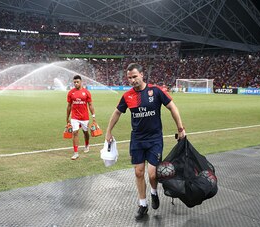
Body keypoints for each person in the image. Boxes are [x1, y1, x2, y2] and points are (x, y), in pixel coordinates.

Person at [105, 63, 186, 220]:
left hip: (155, 138)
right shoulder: (127, 96)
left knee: (153, 174)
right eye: (129, 78)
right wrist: (108, 131)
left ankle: (154, 193)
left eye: (135, 76)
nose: (132, 80)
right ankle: (143, 204)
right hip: (137, 139)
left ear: (142, 74)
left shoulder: (155, 91)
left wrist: (180, 128)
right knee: (138, 172)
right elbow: (117, 113)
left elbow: (172, 107)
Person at [66, 75, 96, 160]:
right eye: (74, 82)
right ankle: (76, 153)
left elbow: (90, 105)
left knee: (85, 132)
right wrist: (67, 117)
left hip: (84, 117)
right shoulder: (71, 93)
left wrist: (93, 116)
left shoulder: (86, 92)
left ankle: (87, 145)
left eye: (77, 82)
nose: (75, 83)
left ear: (81, 82)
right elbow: (69, 106)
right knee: (75, 132)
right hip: (74, 117)